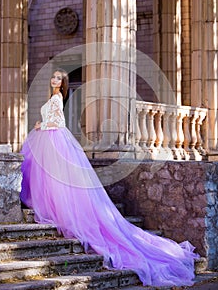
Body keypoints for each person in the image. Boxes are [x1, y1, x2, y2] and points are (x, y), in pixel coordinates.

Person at [20, 69, 199, 287]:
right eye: (54, 76)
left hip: (55, 137)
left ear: (63, 83)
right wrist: (41, 126)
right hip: (48, 139)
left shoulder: (58, 98)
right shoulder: (52, 97)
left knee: (57, 178)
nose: (54, 80)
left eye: (58, 78)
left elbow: (58, 122)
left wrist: (41, 125)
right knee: (46, 174)